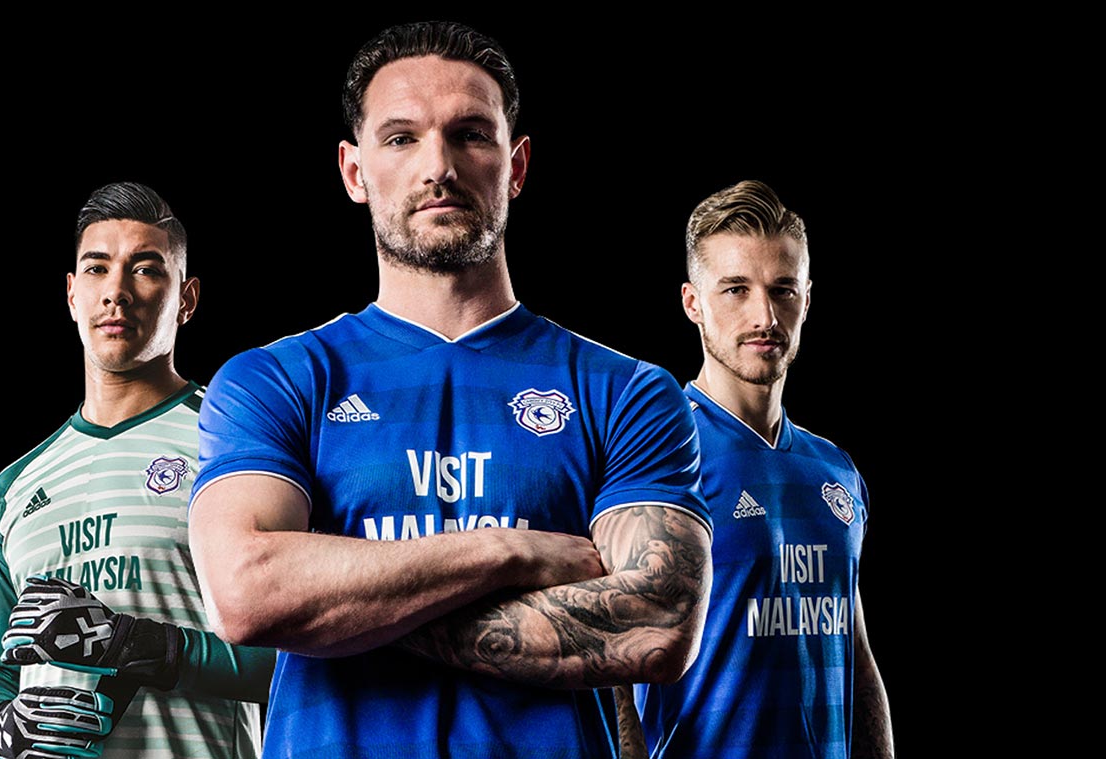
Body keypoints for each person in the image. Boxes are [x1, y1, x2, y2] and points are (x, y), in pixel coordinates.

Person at [186, 20, 713, 759]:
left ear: (516, 165)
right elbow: (247, 595)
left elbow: (657, 624)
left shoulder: (626, 389)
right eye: (401, 138)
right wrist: (508, 552)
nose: (438, 166)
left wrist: (347, 605)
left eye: (470, 134)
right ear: (354, 171)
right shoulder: (272, 380)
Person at [0, 181, 274, 758]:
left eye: (146, 269)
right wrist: (3, 726)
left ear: (187, 298)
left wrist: (136, 644)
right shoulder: (14, 486)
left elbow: (302, 658)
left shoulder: (238, 444)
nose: (117, 293)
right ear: (72, 294)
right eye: (97, 269)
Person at [631, 180, 895, 758]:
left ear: (807, 300)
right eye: (736, 290)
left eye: (782, 290)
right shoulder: (652, 456)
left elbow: (853, 649)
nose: (765, 316)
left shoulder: (836, 470)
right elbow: (611, 664)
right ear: (693, 303)